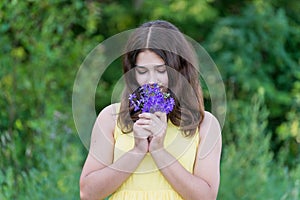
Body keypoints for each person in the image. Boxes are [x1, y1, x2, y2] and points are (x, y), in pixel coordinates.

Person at [79, 20, 222, 200]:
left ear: (180, 69)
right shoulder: (111, 117)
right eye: (142, 71)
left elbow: (206, 197)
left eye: (161, 70)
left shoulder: (204, 124)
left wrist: (158, 150)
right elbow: (88, 193)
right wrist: (137, 150)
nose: (151, 81)